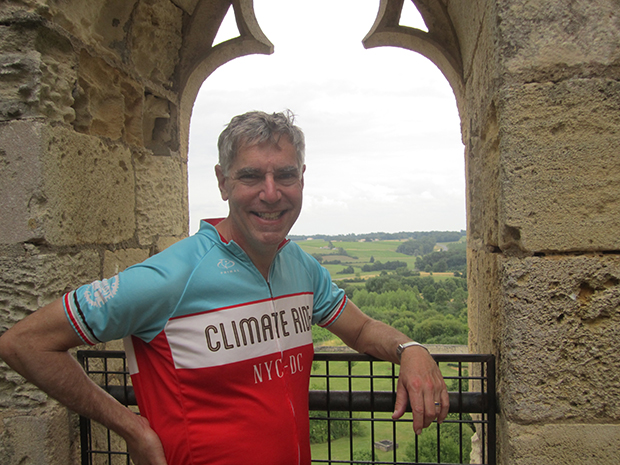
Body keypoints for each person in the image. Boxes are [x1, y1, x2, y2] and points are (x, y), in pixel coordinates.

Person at [0, 110, 449, 465]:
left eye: (286, 176)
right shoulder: (172, 277)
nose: (271, 194)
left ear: (302, 178)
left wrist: (411, 348)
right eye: (251, 176)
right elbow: (25, 343)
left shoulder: (302, 268)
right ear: (222, 181)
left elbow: (363, 329)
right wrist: (132, 428)